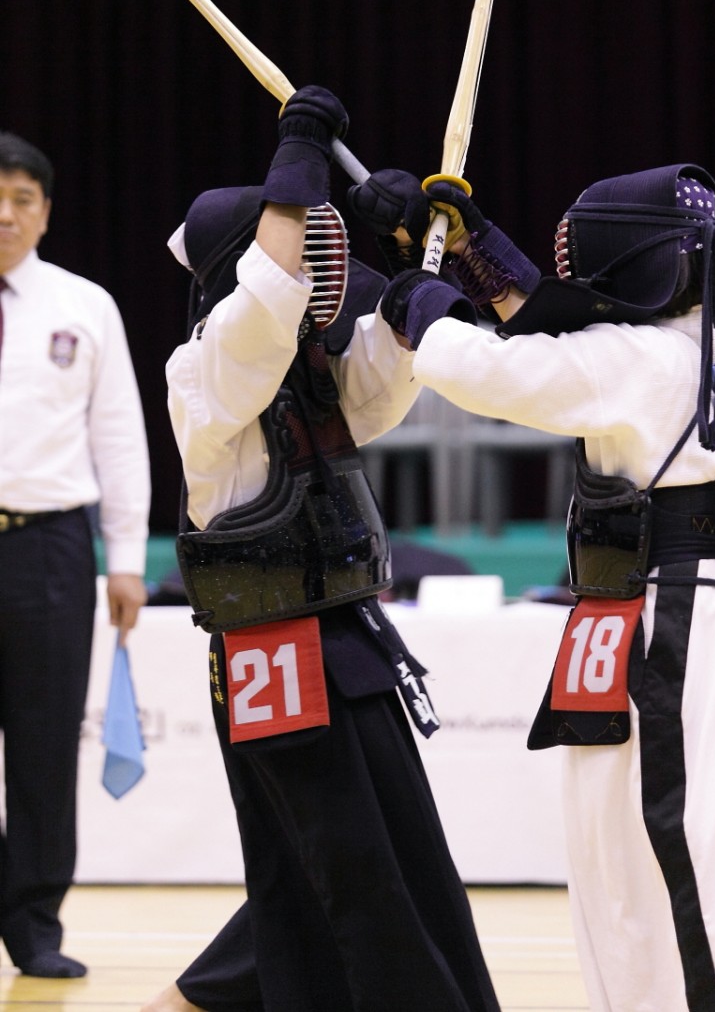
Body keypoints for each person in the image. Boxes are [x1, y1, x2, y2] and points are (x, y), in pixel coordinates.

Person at [374, 165, 715, 1011]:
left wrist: (416, 295)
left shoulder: (637, 359)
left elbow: (495, 368)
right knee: (695, 841)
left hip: (670, 621)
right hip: (681, 612)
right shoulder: (693, 338)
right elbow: (557, 315)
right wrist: (472, 242)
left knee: (666, 844)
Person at [146, 89, 499, 1012]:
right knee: (349, 871)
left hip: (347, 638)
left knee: (395, 854)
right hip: (270, 651)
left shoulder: (311, 372)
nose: (318, 269)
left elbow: (389, 371)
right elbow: (264, 306)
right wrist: (299, 152)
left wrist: (412, 255)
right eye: (306, 244)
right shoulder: (204, 370)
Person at [0, 131, 150, 979]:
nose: (5, 214)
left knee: (45, 742)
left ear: (46, 213)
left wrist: (124, 555)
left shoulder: (84, 305)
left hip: (50, 545)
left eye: (22, 199)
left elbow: (119, 436)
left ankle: (34, 926)